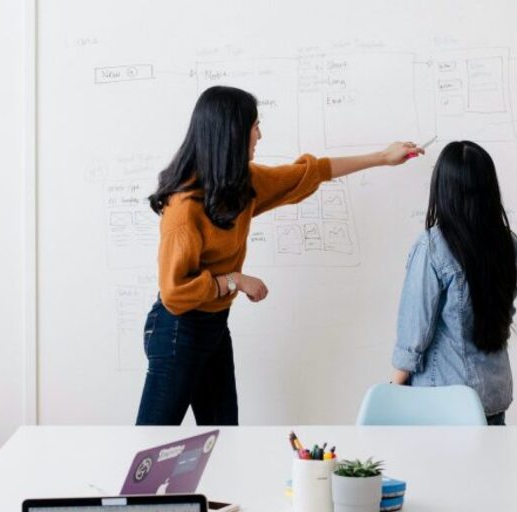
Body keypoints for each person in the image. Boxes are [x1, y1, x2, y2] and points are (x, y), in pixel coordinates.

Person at [137, 85, 422, 425]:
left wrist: (382, 157)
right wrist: (234, 280)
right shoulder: (184, 208)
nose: (260, 134)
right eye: (254, 126)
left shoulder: (240, 185)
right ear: (231, 132)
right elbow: (174, 294)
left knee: (224, 439)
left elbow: (309, 172)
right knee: (153, 443)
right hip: (176, 330)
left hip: (213, 326)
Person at [390, 141, 517, 426]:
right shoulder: (508, 245)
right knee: (487, 471)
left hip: (443, 401)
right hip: (493, 396)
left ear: (443, 188)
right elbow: (503, 315)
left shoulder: (433, 247)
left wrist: (392, 390)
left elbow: (414, 334)